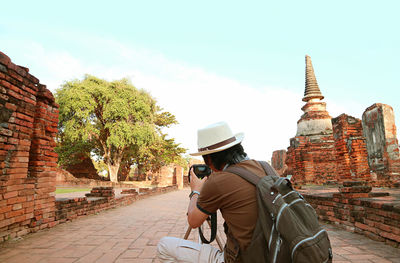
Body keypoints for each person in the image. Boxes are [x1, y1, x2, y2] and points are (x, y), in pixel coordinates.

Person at [157, 121, 267, 263]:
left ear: (208, 158)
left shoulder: (219, 180)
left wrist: (195, 191)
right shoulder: (264, 167)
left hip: (243, 259)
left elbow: (194, 221)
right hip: (276, 253)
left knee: (164, 246)